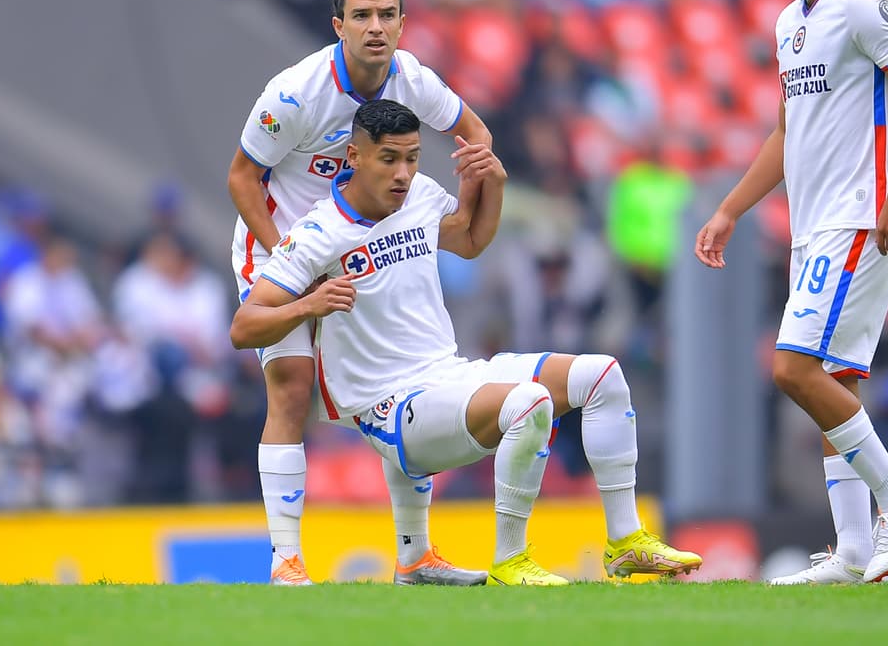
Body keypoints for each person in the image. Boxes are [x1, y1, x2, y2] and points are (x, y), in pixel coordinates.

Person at [230, 100, 701, 585]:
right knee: (529, 403)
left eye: (412, 158)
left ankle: (624, 542)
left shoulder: (421, 196)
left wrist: (492, 185)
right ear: (354, 156)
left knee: (602, 374)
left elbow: (471, 241)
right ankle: (510, 559)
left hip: (448, 375)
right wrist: (309, 305)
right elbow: (244, 326)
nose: (404, 173)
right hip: (389, 407)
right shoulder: (317, 233)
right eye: (389, 158)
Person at [695, 0, 888, 585]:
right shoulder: (790, 25)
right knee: (828, 380)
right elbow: (787, 129)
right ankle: (854, 552)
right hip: (814, 226)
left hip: (859, 217)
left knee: (794, 370)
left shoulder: (864, 4)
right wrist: (731, 208)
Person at [226, 0, 492, 586]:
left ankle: (416, 557)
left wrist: (465, 185)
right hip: (285, 244)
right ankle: (286, 560)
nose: (377, 28)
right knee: (290, 390)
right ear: (338, 25)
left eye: (388, 16)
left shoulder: (414, 79)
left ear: (403, 22)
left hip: (364, 244)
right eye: (363, 17)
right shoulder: (295, 93)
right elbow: (242, 177)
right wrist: (291, 263)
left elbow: (475, 134)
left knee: (407, 379)